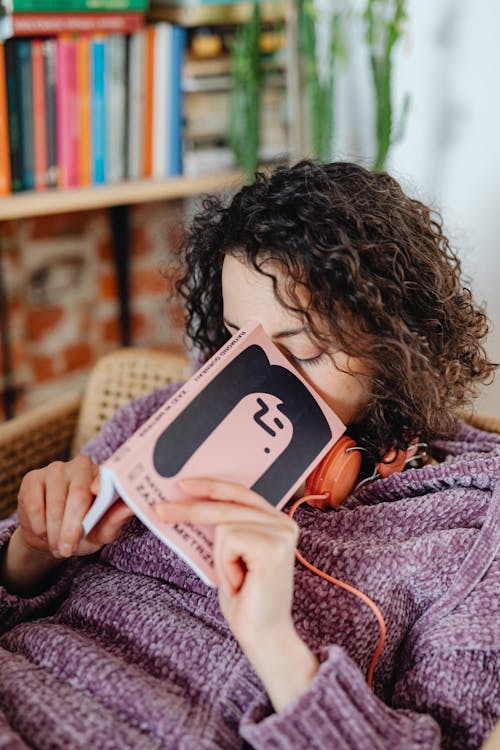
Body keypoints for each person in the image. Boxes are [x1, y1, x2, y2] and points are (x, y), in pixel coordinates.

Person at [0, 160, 499, 750]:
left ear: (399, 342)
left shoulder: (474, 520)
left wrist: (273, 643)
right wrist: (32, 549)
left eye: (306, 351)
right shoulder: (167, 415)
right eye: (243, 341)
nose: (264, 381)